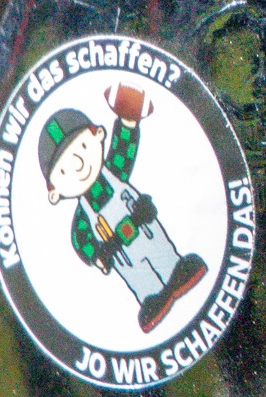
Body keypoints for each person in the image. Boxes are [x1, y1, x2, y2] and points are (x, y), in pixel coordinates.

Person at [37, 84, 206, 334]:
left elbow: (123, 149)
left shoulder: (114, 171)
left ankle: (176, 269)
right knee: (139, 276)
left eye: (82, 148)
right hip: (121, 252)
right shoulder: (83, 218)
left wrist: (128, 120)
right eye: (63, 170)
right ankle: (152, 298)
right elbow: (81, 239)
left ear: (98, 135)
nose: (78, 164)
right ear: (54, 192)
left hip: (145, 226)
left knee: (162, 251)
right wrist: (98, 256)